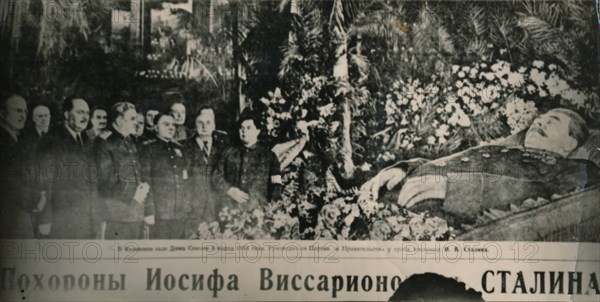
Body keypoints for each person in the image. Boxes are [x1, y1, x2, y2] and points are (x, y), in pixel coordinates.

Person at [360, 108, 600, 227]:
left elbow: (535, 192)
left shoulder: (575, 168)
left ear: (570, 142)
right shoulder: (500, 149)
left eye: (552, 121)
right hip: (385, 205)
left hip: (426, 225)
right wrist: (403, 169)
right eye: (540, 118)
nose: (539, 121)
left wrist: (455, 188)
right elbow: (449, 163)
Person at [37, 97, 96, 238]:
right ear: (66, 114)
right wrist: (45, 219)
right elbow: (45, 182)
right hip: (62, 219)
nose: (85, 117)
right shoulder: (51, 140)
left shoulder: (86, 140)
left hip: (86, 218)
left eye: (87, 113)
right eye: (80, 112)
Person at [94, 102, 154, 240]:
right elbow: (105, 179)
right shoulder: (104, 141)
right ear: (119, 119)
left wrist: (144, 187)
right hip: (117, 214)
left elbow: (136, 171)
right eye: (132, 119)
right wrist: (133, 193)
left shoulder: (129, 140)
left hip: (135, 212)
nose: (136, 124)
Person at [213, 113, 282, 210]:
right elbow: (216, 177)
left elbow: (276, 187)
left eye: (249, 128)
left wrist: (272, 211)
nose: (244, 131)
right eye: (241, 128)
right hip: (231, 211)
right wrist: (229, 190)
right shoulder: (228, 153)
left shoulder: (269, 156)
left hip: (258, 213)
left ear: (258, 131)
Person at [140, 113, 190, 239]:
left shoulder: (179, 148)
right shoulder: (148, 149)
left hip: (180, 212)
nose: (171, 128)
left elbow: (185, 180)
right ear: (156, 127)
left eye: (173, 125)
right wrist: (148, 211)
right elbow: (145, 180)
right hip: (160, 213)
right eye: (166, 124)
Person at [183, 107, 228, 235]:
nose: (204, 126)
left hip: (217, 207)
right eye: (200, 123)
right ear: (194, 126)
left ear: (214, 126)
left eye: (208, 123)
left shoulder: (223, 148)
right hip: (193, 208)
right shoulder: (184, 148)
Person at [0, 94, 37, 238]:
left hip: (20, 212)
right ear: (3, 113)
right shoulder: (3, 141)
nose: (23, 116)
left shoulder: (17, 138)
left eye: (25, 111)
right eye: (18, 111)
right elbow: (9, 182)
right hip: (9, 215)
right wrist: (36, 199)